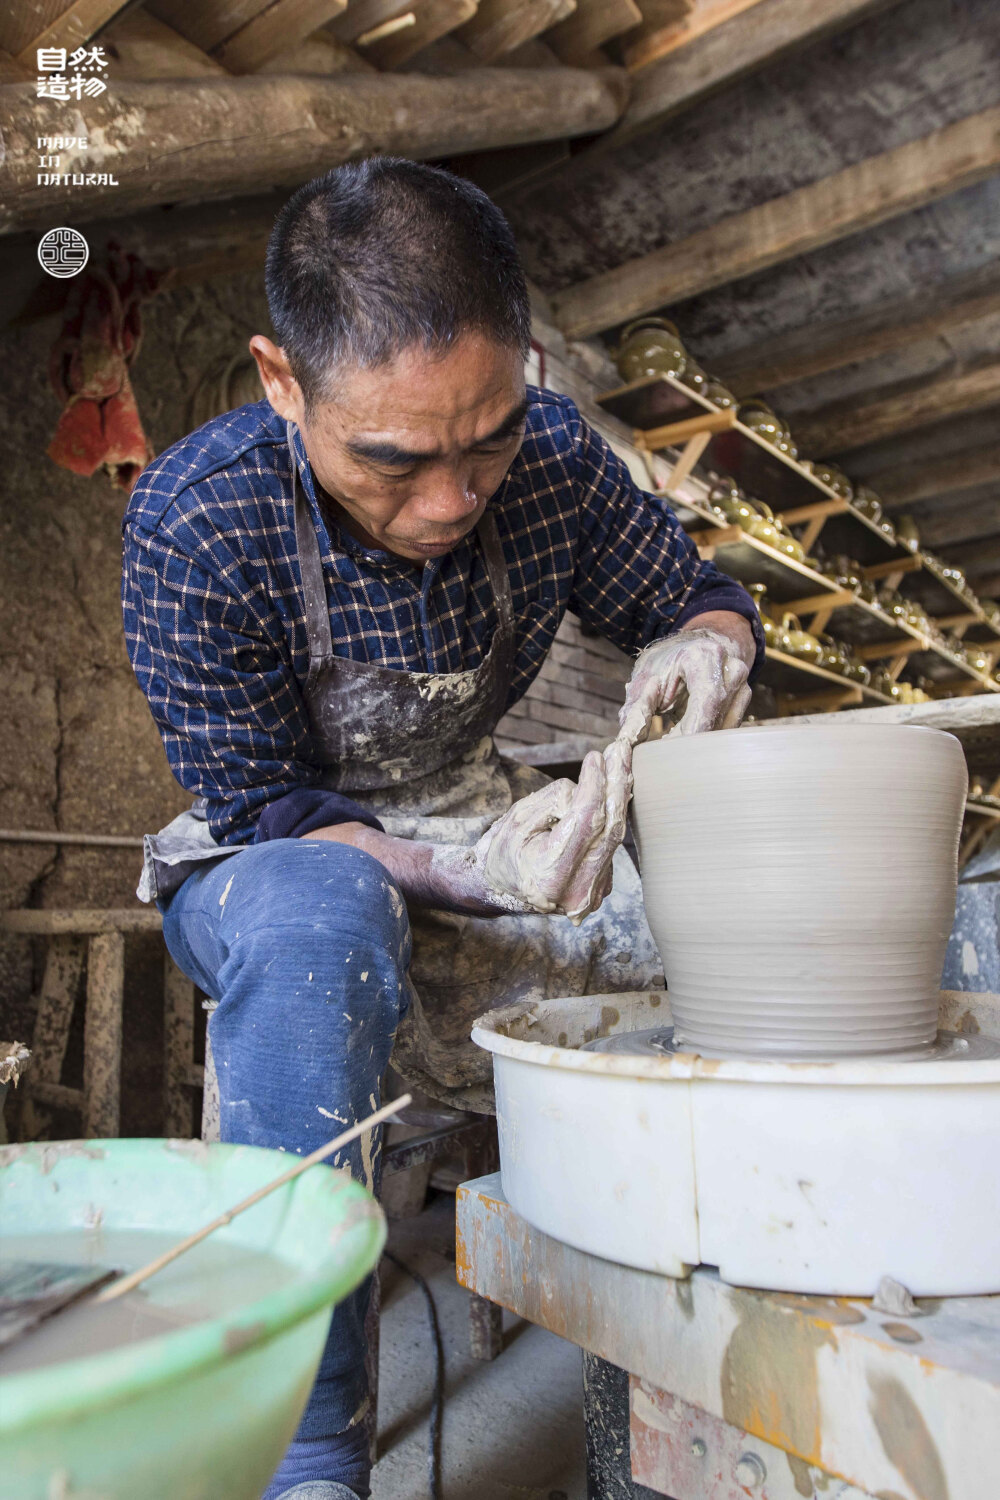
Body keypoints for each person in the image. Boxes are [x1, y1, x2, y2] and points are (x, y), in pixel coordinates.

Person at [122, 158, 763, 1500]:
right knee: (324, 918)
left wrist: (700, 653)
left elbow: (692, 593)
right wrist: (463, 871)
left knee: (710, 941)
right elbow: (273, 808)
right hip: (273, 853)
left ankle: (683, 1393)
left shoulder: (559, 466)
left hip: (482, 814)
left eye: (489, 442)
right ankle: (307, 1447)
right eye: (394, 460)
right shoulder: (201, 521)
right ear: (282, 382)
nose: (451, 501)